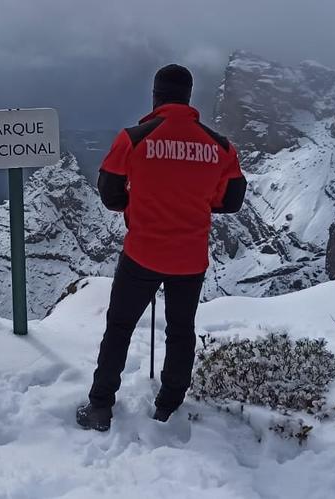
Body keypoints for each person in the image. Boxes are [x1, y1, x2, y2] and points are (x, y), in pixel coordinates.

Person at [76, 64, 247, 432]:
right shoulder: (219, 146)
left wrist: (137, 202)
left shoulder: (134, 138)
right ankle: (169, 406)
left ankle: (100, 406)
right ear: (188, 97)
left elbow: (109, 192)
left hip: (142, 253)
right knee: (181, 329)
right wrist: (199, 202)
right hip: (190, 258)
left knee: (119, 327)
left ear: (156, 97)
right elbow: (232, 199)